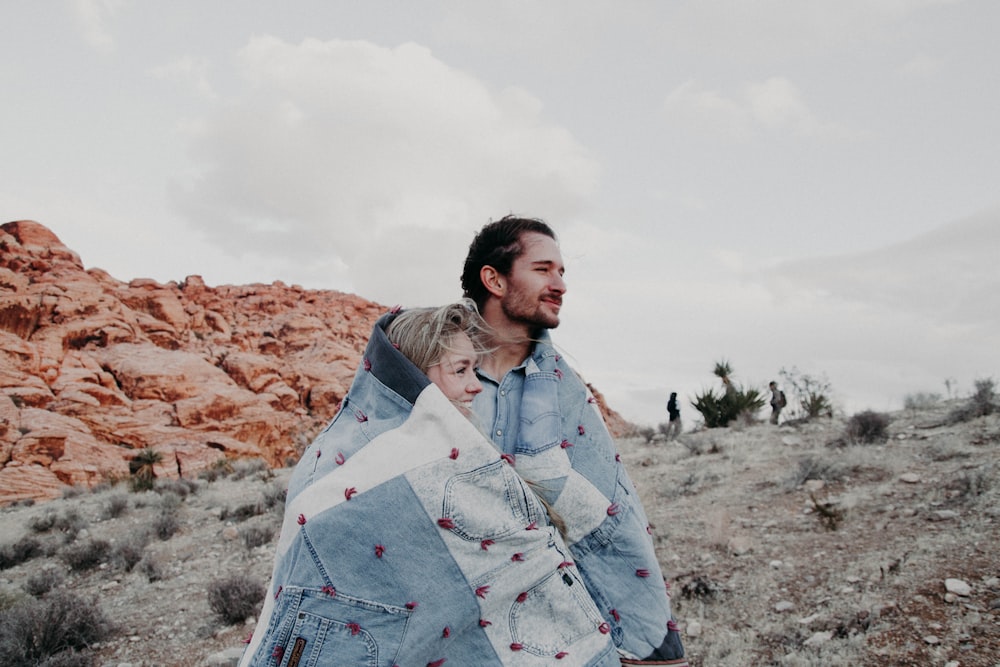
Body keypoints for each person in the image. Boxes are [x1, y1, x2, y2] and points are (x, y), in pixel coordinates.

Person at [240, 301, 620, 666]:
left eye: (475, 370)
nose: (476, 386)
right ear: (418, 381)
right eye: (460, 371)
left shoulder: (464, 462)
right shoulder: (344, 475)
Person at [462, 216, 688, 666]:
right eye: (544, 269)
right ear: (495, 279)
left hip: (547, 615)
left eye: (562, 272)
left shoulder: (564, 392)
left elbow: (612, 511)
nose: (560, 284)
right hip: (454, 608)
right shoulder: (430, 370)